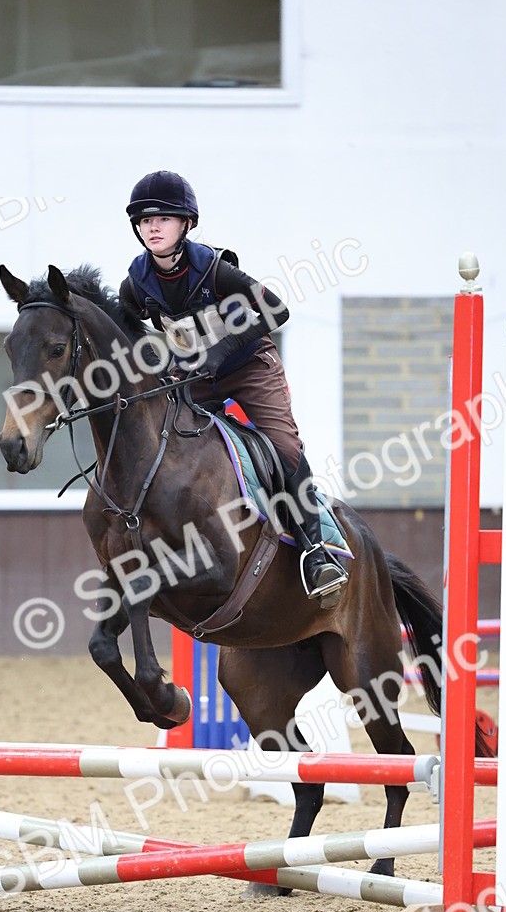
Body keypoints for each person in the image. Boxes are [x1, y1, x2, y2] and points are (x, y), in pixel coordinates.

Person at [118, 169, 348, 606]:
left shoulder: (215, 270)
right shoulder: (137, 282)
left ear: (186, 224)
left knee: (283, 449)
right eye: (145, 220)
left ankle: (317, 551)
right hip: (193, 377)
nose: (152, 226)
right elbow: (127, 326)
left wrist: (219, 353)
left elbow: (276, 311)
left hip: (247, 367)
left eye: (163, 218)